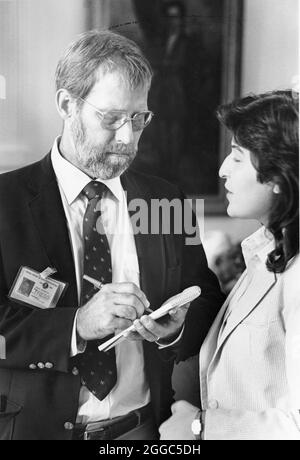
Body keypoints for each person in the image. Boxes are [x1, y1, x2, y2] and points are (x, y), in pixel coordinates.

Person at [0, 30, 223, 440]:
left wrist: (173, 329)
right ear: (67, 104)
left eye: (139, 119)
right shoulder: (5, 202)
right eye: (111, 118)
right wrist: (77, 325)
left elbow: (206, 300)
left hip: (140, 431)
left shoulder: (164, 200)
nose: (127, 138)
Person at [159, 90, 300, 440]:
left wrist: (201, 426)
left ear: (277, 177)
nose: (222, 170)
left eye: (237, 158)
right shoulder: (262, 254)